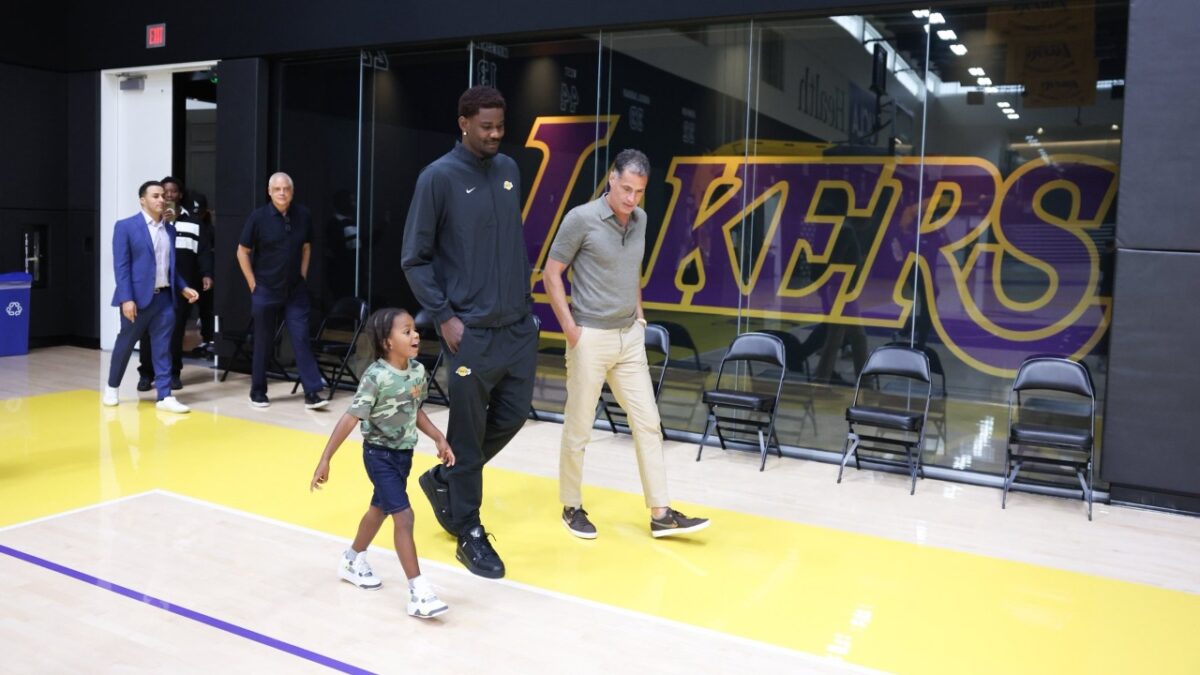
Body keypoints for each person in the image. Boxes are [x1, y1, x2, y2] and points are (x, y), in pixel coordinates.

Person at [401, 85, 538, 580]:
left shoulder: (507, 170)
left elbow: (509, 243)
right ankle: (469, 531)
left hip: (517, 327)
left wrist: (525, 306)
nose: (496, 135)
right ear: (463, 123)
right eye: (486, 127)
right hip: (470, 333)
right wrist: (444, 315)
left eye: (501, 126)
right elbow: (413, 257)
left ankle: (446, 479)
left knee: (515, 413)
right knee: (467, 429)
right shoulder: (437, 178)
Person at [543, 149, 710, 540]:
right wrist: (571, 330)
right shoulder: (580, 219)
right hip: (589, 338)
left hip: (629, 339)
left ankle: (661, 512)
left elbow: (632, 268)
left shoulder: (641, 220)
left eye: (639, 192)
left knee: (648, 424)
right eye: (627, 189)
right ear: (612, 179)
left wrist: (639, 315)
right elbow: (552, 274)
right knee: (580, 428)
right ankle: (572, 506)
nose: (632, 199)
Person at [310, 308, 455, 619]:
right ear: (387, 342)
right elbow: (351, 417)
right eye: (406, 331)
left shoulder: (417, 371)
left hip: (404, 455)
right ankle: (418, 591)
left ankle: (351, 559)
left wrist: (438, 438)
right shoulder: (376, 377)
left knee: (379, 510)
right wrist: (325, 459)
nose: (415, 335)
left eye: (414, 329)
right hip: (378, 456)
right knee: (404, 516)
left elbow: (414, 410)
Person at [102, 180, 199, 413]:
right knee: (125, 343)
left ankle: (164, 396)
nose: (161, 200)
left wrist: (183, 287)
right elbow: (121, 266)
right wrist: (126, 298)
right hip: (136, 299)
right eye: (155, 196)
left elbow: (169, 267)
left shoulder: (170, 229)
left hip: (165, 298)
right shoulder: (125, 227)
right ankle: (112, 387)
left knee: (163, 347)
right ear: (142, 200)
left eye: (163, 196)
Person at [236, 172, 329, 410]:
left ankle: (311, 392)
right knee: (263, 341)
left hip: (294, 290)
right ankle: (257, 391)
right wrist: (252, 284)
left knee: (300, 338)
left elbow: (307, 248)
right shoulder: (258, 217)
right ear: (269, 191)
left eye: (286, 189)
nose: (282, 193)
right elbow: (242, 252)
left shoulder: (303, 215)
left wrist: (302, 276)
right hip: (265, 288)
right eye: (277, 189)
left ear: (292, 191)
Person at [135, 177, 213, 391]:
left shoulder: (195, 223)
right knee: (148, 332)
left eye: (173, 191)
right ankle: (146, 374)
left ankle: (173, 373)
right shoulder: (151, 223)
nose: (168, 195)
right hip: (154, 287)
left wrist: (206, 274)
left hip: (181, 286)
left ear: (180, 195)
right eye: (164, 191)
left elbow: (204, 252)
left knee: (176, 331)